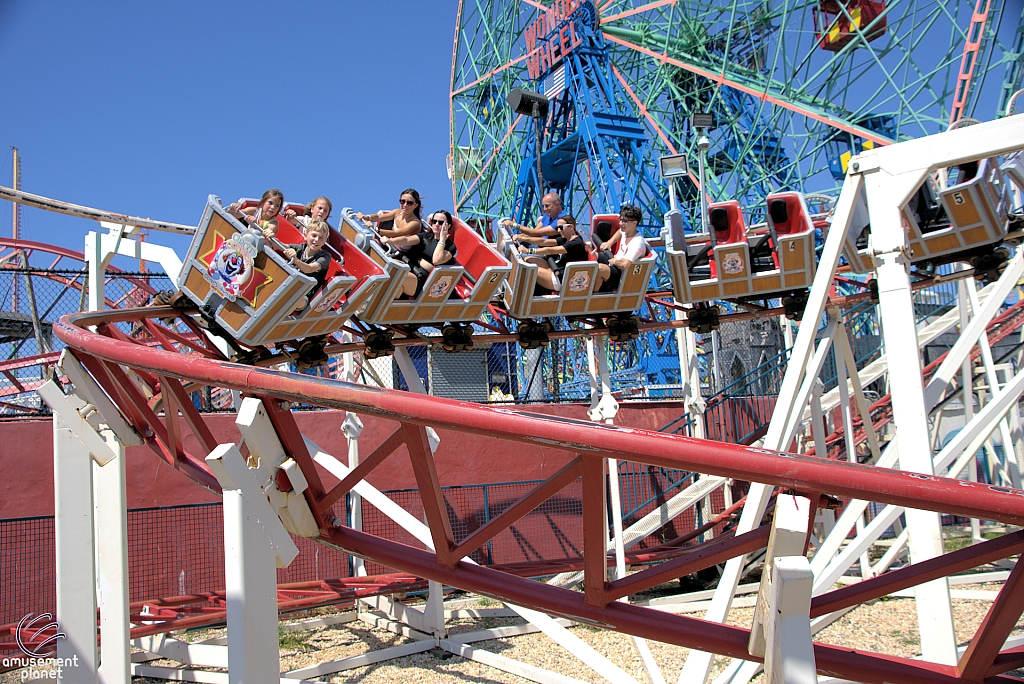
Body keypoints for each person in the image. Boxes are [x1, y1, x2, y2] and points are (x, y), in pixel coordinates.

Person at [385, 210, 459, 298]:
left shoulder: (450, 246)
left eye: (441, 222)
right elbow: (407, 240)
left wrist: (442, 240)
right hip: (413, 270)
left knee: (399, 276)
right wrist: (390, 240)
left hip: (427, 282)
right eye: (434, 221)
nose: (437, 224)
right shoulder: (425, 237)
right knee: (393, 272)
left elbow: (436, 260)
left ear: (448, 225)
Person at [515, 214, 591, 293]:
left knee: (529, 269)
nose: (558, 231)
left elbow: (550, 250)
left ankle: (525, 294)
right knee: (528, 260)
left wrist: (529, 251)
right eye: (557, 228)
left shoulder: (576, 243)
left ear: (571, 227)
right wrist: (523, 238)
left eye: (561, 227)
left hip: (563, 278)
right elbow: (544, 242)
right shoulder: (565, 239)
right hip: (558, 269)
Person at [282, 219, 338, 312]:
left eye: (321, 238)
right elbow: (281, 246)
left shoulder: (325, 256)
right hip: (289, 286)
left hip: (305, 295)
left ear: (325, 241)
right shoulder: (301, 247)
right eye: (314, 235)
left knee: (293, 299)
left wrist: (295, 260)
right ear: (306, 234)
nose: (316, 240)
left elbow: (309, 269)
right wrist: (270, 237)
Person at [598, 204, 650, 293]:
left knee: (599, 269)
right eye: (620, 220)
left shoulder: (637, 242)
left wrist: (614, 261)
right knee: (594, 256)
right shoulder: (626, 231)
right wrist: (609, 242)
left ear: (635, 223)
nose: (621, 223)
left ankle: (595, 294)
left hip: (622, 276)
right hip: (615, 263)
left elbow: (625, 265)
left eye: (625, 221)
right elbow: (620, 232)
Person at [356, 188, 423, 240]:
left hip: (400, 253)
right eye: (402, 201)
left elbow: (396, 233)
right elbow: (379, 217)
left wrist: (375, 229)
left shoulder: (415, 223)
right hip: (388, 243)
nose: (405, 205)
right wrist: (366, 217)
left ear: (415, 205)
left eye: (409, 203)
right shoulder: (397, 212)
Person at [501, 192, 566, 238]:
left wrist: (514, 225)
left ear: (557, 205)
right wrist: (518, 236)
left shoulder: (562, 220)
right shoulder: (547, 215)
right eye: (543, 206)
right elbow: (535, 231)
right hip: (539, 244)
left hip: (548, 250)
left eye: (547, 206)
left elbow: (535, 233)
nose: (544, 209)